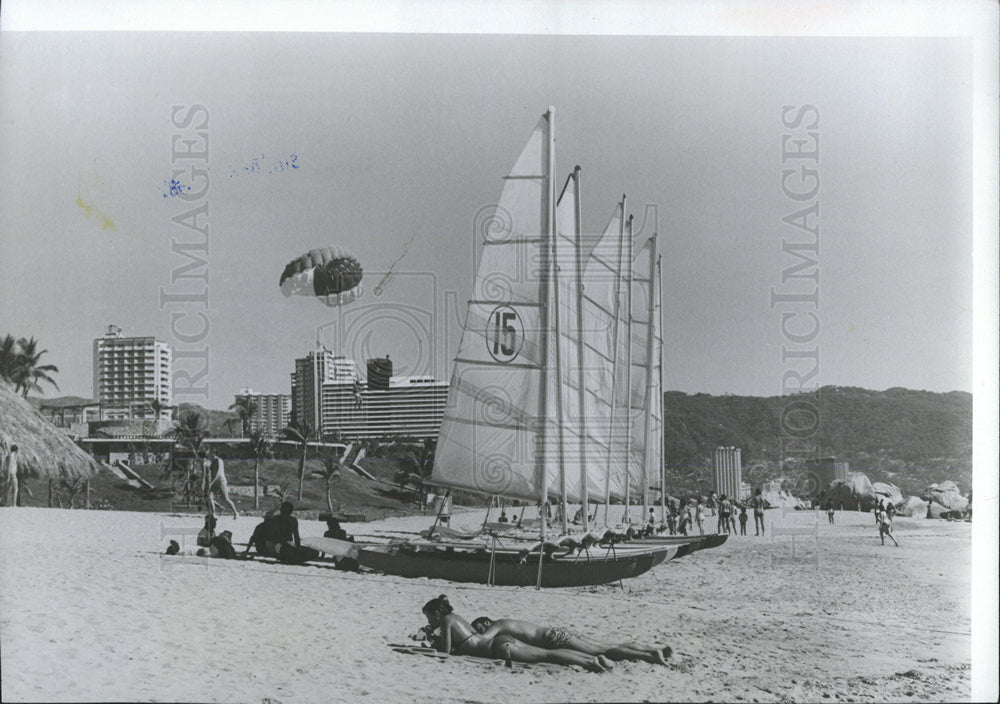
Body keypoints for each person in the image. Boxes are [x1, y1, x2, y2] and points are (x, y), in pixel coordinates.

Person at [420, 595, 613, 672]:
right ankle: (593, 658)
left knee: (547, 655)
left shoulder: (445, 621)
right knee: (545, 654)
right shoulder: (456, 617)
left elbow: (445, 652)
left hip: (497, 648)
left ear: (436, 614)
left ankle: (590, 663)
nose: (429, 622)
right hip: (501, 642)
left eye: (429, 618)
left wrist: (430, 642)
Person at [471, 616, 670, 665]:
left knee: (601, 652)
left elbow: (480, 640)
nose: (485, 630)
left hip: (553, 638)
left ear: (485, 621)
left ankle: (649, 657)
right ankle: (651, 650)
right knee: (607, 645)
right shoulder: (508, 621)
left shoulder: (497, 624)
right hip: (557, 632)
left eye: (481, 627)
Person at [206, 448, 238, 520]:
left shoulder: (218, 460)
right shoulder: (212, 461)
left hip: (220, 481)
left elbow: (218, 473)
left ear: (213, 453)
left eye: (210, 453)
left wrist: (211, 482)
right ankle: (213, 514)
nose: (208, 454)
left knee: (226, 499)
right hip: (214, 482)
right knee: (209, 497)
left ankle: (235, 512)